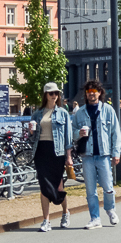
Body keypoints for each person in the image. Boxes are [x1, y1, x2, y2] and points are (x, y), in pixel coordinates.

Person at [71, 80, 121, 228]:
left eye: (94, 92)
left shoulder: (108, 110)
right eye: (89, 93)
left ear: (100, 93)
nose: (92, 95)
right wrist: (78, 133)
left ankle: (110, 209)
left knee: (108, 187)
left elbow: (115, 133)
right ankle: (95, 218)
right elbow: (72, 133)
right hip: (87, 155)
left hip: (104, 155)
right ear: (86, 95)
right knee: (90, 190)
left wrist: (116, 153)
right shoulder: (80, 112)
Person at [28, 83, 73, 232]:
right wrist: (30, 132)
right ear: (45, 95)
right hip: (41, 151)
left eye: (56, 93)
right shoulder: (37, 113)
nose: (54, 96)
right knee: (43, 187)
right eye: (51, 93)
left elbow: (68, 137)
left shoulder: (63, 113)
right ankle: (46, 220)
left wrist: (68, 156)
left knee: (59, 186)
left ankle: (65, 212)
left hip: (57, 152)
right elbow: (31, 138)